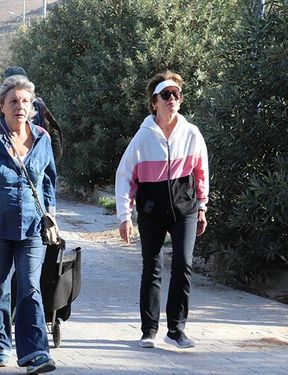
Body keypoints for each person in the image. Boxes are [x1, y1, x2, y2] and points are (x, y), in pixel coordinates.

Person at [115, 71, 209, 349]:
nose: (172, 99)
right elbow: (124, 177)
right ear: (154, 101)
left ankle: (177, 330)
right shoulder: (142, 138)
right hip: (151, 211)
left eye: (176, 94)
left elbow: (202, 172)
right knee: (152, 268)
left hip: (186, 209)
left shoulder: (191, 134)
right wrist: (124, 216)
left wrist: (202, 207)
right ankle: (149, 330)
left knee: (183, 263)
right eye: (165, 95)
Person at [0, 75, 57, 373]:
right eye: (13, 101)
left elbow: (48, 180)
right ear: (1, 107)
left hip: (33, 226)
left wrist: (52, 215)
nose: (20, 106)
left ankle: (35, 352)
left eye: (25, 101)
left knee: (31, 287)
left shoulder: (43, 138)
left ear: (32, 107)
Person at [0, 66, 63, 164]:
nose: (20, 106)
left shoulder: (38, 106)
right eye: (11, 82)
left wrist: (48, 163)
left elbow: (54, 133)